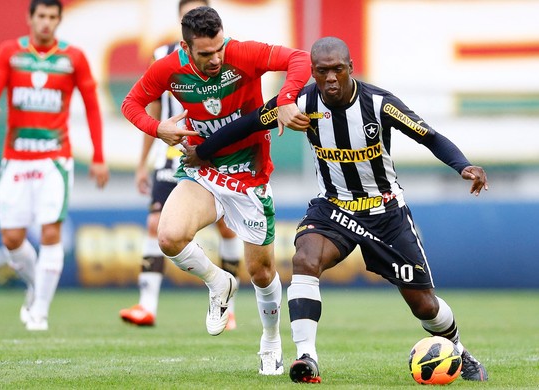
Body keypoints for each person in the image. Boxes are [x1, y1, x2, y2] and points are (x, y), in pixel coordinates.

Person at [183, 36, 489, 383]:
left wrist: (462, 165)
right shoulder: (299, 101)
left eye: (337, 70)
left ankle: (460, 351)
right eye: (322, 71)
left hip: (385, 212)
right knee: (304, 259)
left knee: (424, 305)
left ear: (350, 69)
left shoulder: (380, 104)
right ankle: (306, 358)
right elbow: (250, 123)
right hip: (334, 208)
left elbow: (428, 136)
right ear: (311, 72)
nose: (330, 78)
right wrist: (204, 150)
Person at [122, 6, 311, 375]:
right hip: (202, 168)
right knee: (169, 236)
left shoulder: (242, 53)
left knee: (261, 272)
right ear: (185, 47)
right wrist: (156, 127)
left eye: (219, 49)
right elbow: (131, 103)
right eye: (205, 53)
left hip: (249, 174)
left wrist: (286, 98)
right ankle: (219, 282)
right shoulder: (168, 68)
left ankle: (271, 340)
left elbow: (300, 59)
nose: (215, 59)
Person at [0, 0, 109, 331]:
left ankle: (40, 312)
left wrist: (97, 156)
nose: (47, 23)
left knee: (51, 231)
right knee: (11, 238)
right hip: (16, 158)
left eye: (53, 17)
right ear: (30, 18)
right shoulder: (10, 52)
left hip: (54, 159)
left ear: (59, 20)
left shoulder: (73, 57)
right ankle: (37, 285)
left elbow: (93, 107)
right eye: (42, 16)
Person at [119, 0, 242, 330]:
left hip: (215, 155)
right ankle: (147, 305)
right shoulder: (162, 58)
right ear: (182, 23)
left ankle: (227, 306)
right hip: (171, 156)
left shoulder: (224, 57)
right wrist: (142, 163)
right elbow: (152, 112)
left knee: (227, 227)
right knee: (155, 223)